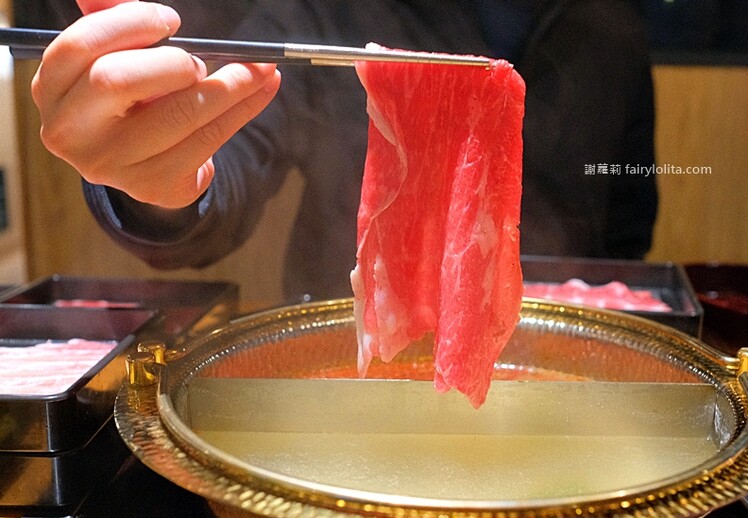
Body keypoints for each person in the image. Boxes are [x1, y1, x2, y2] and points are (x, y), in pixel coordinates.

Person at [32, 0, 658, 304]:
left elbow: (626, 223)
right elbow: (225, 172)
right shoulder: (327, 10)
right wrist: (154, 178)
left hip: (538, 358)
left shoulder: (608, 30)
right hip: (348, 351)